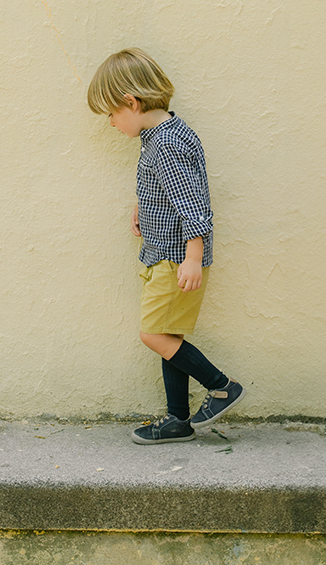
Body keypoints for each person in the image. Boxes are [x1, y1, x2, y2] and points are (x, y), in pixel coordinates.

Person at [87, 48, 246, 444]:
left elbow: (193, 205)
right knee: (168, 335)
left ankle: (222, 386)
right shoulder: (164, 134)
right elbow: (170, 188)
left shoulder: (165, 145)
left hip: (175, 258)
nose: (109, 123)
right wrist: (144, 205)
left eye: (110, 113)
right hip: (165, 253)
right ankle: (177, 420)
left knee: (153, 334)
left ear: (131, 102)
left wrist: (193, 257)